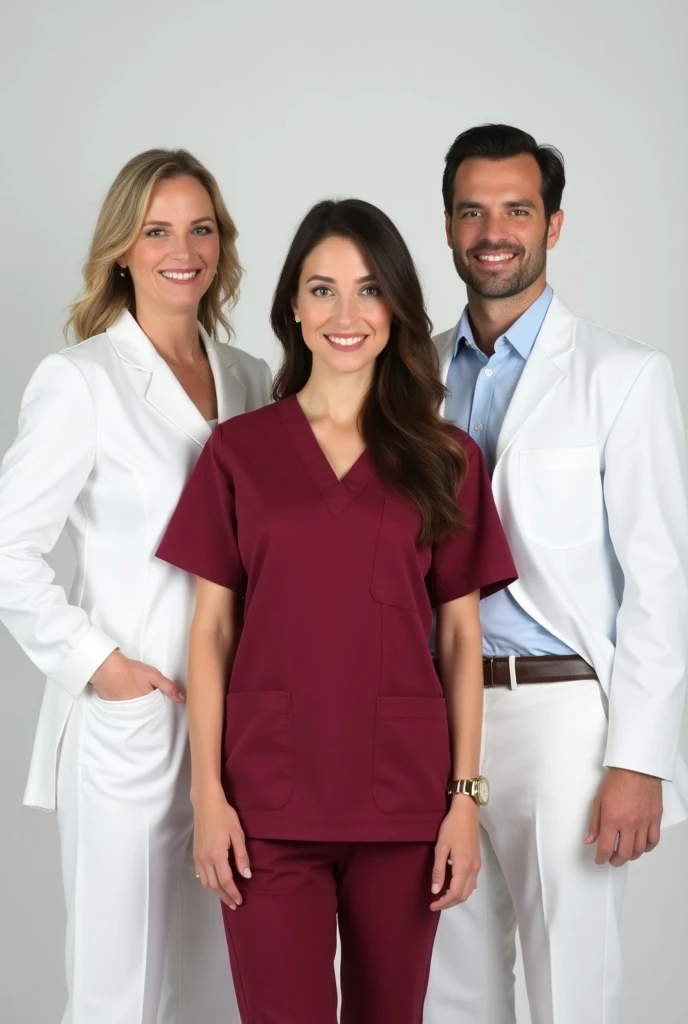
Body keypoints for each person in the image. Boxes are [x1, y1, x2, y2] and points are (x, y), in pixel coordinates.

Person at [156, 198, 517, 1024]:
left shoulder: (445, 458)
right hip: (268, 802)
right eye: (323, 290)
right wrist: (208, 796)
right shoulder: (239, 452)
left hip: (403, 799)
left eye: (367, 291)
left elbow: (462, 637)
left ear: (395, 306)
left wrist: (464, 798)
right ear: (292, 304)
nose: (345, 315)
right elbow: (210, 630)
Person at [424, 123, 688, 1024]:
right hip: (434, 714)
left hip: (563, 715)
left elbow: (662, 579)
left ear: (554, 224)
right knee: (447, 984)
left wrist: (639, 759)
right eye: (472, 211)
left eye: (516, 209)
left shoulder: (624, 377)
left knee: (569, 989)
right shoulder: (404, 374)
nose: (493, 230)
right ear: (449, 226)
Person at [0, 149, 272, 1024]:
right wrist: (97, 664)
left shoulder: (251, 379)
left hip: (234, 728)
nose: (180, 249)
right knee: (119, 990)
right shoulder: (80, 380)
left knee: (215, 986)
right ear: (124, 248)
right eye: (157, 230)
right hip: (131, 725)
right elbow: (7, 548)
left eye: (200, 229)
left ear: (221, 245)